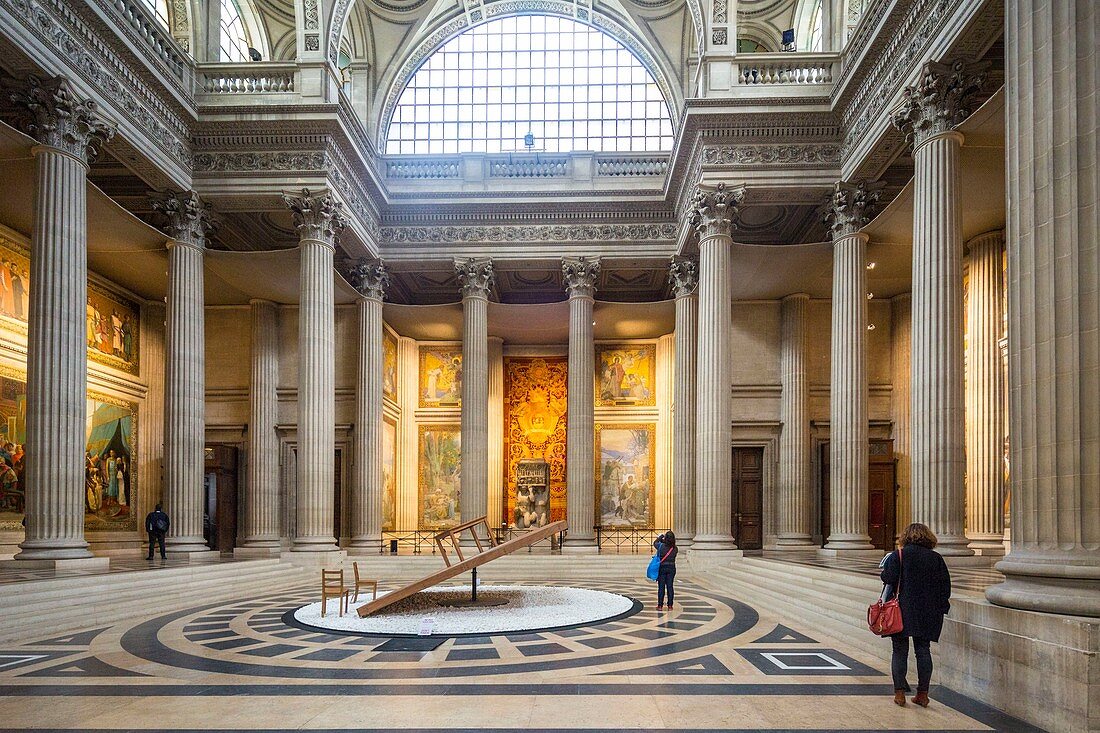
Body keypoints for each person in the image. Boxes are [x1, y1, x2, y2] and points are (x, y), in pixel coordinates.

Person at [880, 522, 952, 708]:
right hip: (929, 611)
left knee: (899, 650)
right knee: (923, 650)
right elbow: (945, 586)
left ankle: (900, 694)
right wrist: (942, 608)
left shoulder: (899, 555)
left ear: (906, 537)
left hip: (901, 609)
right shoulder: (936, 558)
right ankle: (923, 694)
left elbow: (888, 578)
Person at [653, 530, 678, 610]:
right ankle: (670, 605)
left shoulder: (661, 546)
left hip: (662, 568)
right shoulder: (675, 548)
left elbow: (655, 543)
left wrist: (660, 537)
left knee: (661, 587)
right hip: (671, 568)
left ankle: (660, 605)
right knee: (670, 586)